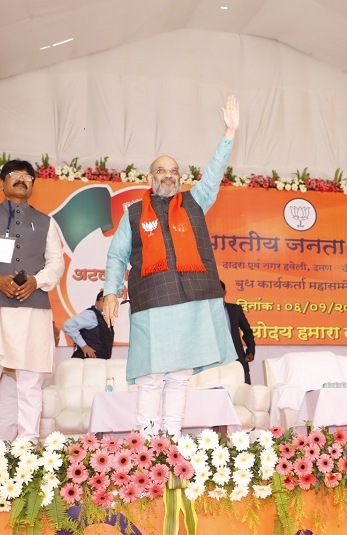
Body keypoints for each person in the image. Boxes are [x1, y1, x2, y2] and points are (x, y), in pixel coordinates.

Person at [103, 96, 240, 437]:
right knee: (151, 379)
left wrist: (229, 133)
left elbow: (213, 175)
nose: (168, 176)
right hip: (151, 303)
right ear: (150, 177)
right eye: (161, 170)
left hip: (189, 300)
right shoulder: (133, 214)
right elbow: (117, 256)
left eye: (174, 171)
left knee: (179, 378)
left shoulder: (195, 201)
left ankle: (172, 443)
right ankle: (148, 447)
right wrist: (109, 292)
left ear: (180, 177)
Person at [0, 159, 65, 442]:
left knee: (30, 385)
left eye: (27, 176)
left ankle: (27, 446)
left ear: (33, 184)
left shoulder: (47, 222)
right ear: (2, 183)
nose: (21, 179)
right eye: (14, 175)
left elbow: (56, 263)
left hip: (33, 311)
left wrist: (37, 281)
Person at [221, 280, 255, 384]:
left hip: (238, 360)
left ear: (225, 292)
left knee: (244, 395)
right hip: (214, 363)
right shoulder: (205, 312)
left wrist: (250, 350)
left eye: (219, 291)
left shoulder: (235, 309)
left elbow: (247, 331)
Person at [64, 291, 115, 359]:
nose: (107, 304)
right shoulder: (91, 314)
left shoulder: (105, 317)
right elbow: (69, 325)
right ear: (98, 300)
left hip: (97, 362)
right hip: (87, 362)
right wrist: (84, 346)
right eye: (105, 301)